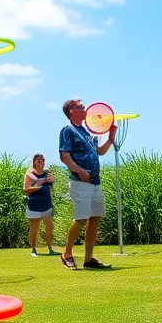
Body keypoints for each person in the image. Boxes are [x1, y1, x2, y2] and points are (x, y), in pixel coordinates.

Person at [58, 99, 115, 270]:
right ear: (71, 112)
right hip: (79, 182)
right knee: (81, 218)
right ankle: (66, 253)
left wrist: (111, 138)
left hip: (95, 182)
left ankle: (88, 259)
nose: (85, 108)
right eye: (80, 107)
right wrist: (80, 170)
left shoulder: (87, 132)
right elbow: (64, 156)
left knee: (95, 218)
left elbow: (100, 152)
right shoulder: (68, 130)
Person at [23, 153, 57, 256]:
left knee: (49, 227)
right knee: (34, 227)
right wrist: (39, 185)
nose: (41, 162)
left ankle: (50, 248)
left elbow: (51, 188)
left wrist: (52, 201)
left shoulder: (48, 173)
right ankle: (33, 249)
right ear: (34, 162)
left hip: (47, 204)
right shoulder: (29, 174)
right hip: (34, 205)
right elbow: (26, 189)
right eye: (39, 161)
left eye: (43, 160)